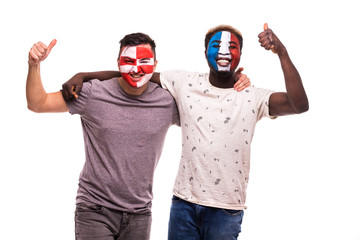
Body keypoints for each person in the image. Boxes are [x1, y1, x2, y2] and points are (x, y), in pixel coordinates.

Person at [62, 23, 308, 240]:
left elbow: (299, 105)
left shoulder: (253, 96)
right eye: (216, 45)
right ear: (205, 53)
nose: (223, 51)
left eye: (231, 46)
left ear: (240, 55)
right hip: (183, 205)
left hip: (226, 207)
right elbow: (137, 72)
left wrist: (282, 54)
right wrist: (85, 75)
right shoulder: (185, 83)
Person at [26, 33, 181, 240]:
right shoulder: (93, 94)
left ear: (155, 64)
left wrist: (236, 81)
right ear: (118, 63)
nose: (136, 69)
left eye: (144, 62)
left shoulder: (167, 103)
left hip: (140, 214)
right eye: (128, 61)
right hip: (95, 209)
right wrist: (34, 65)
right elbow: (38, 103)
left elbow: (206, 109)